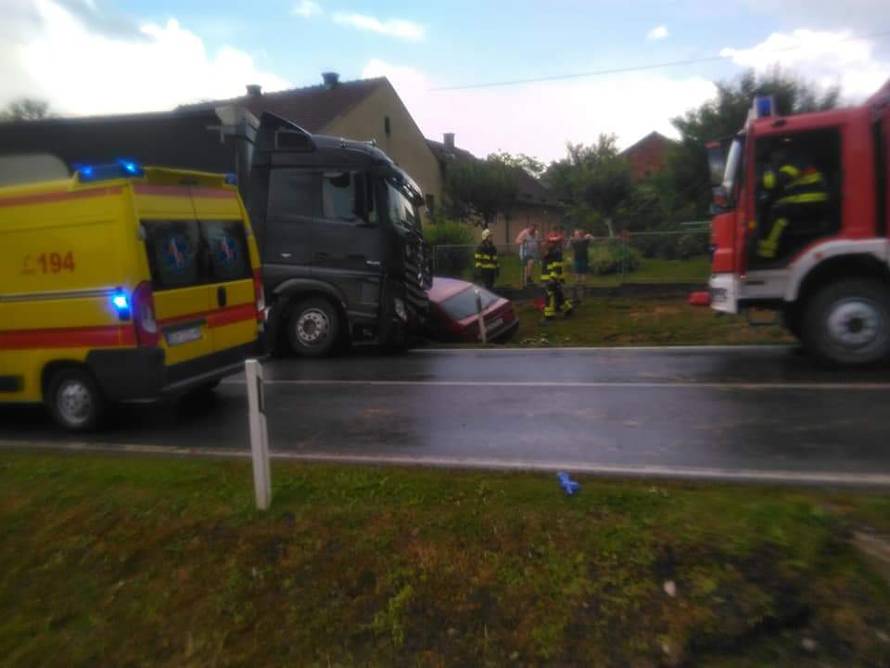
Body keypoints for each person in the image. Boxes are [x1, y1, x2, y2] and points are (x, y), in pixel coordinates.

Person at [756, 149, 829, 263]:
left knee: (778, 217)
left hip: (810, 200)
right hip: (802, 199)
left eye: (776, 153)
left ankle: (767, 256)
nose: (775, 157)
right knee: (771, 209)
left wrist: (756, 177)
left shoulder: (797, 160)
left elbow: (776, 181)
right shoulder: (792, 160)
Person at [541, 231, 573, 320]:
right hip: (549, 277)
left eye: (549, 242)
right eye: (548, 241)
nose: (547, 243)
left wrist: (552, 278)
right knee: (558, 295)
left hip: (552, 278)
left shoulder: (556, 252)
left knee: (550, 295)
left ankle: (549, 316)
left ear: (554, 243)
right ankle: (568, 309)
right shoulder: (550, 251)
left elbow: (557, 266)